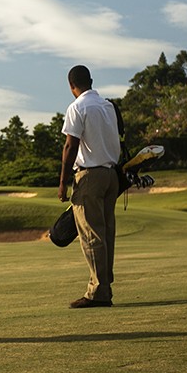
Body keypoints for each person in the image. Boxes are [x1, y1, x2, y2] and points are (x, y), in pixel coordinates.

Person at [57, 65, 122, 308]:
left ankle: (97, 292)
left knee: (92, 234)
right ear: (91, 81)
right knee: (105, 233)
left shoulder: (77, 107)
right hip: (111, 175)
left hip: (90, 176)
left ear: (71, 86)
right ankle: (104, 286)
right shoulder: (107, 106)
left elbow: (70, 146)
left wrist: (63, 182)